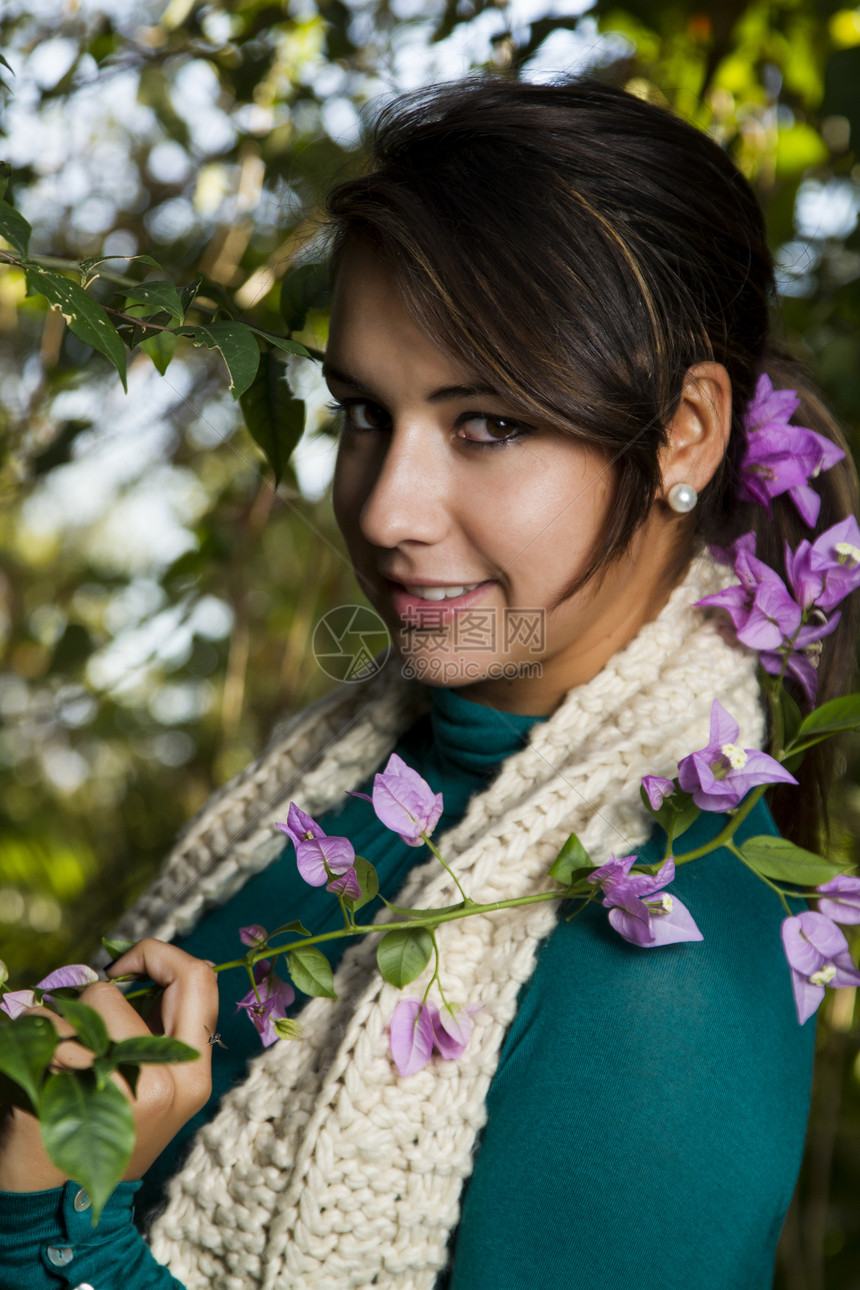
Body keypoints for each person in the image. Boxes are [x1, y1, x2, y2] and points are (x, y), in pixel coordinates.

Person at [1, 76, 857, 1290]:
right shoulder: (352, 776)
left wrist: (51, 1239)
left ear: (681, 433)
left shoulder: (665, 965)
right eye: (362, 411)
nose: (387, 510)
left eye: (487, 425)